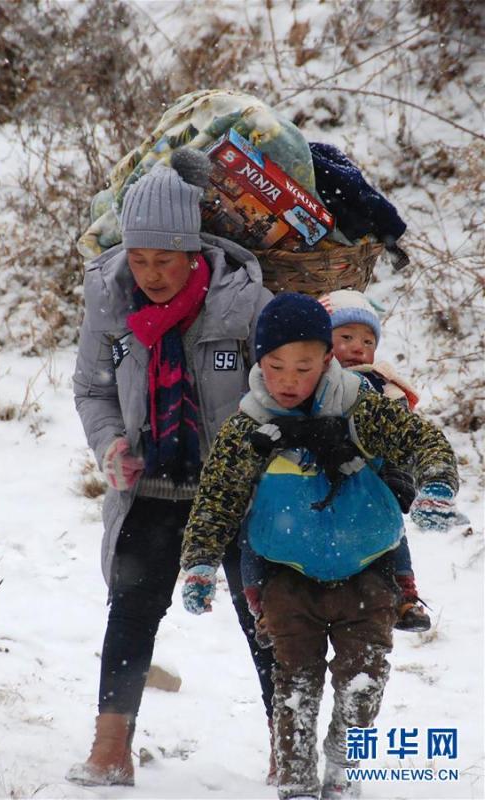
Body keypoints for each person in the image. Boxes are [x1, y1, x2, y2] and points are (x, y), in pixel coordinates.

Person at [180, 292, 460, 800]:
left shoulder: (360, 407)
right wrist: (200, 563)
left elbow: (423, 443)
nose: (287, 380)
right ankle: (296, 784)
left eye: (303, 367)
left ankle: (343, 765)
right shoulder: (249, 426)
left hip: (367, 573)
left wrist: (437, 483)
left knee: (363, 684)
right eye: (275, 366)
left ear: (328, 359)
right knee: (294, 689)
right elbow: (217, 499)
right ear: (258, 362)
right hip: (287, 579)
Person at [66, 149, 276, 788]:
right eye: (138, 257)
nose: (150, 274)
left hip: (232, 490)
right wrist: (109, 445)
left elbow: (282, 390)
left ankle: (288, 745)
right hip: (151, 485)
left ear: (194, 252)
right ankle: (110, 748)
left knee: (265, 614)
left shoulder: (245, 304)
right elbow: (91, 387)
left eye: (164, 259)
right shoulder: (112, 299)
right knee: (131, 605)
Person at [318, 289, 430, 631]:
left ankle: (404, 593)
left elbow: (402, 440)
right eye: (346, 337)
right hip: (318, 479)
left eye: (367, 340)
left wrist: (399, 477)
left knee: (391, 534)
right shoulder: (307, 380)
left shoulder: (383, 386)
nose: (357, 347)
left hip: (373, 478)